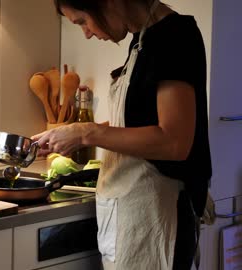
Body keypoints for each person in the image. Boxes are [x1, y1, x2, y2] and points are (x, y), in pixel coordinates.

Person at [32, 0, 212, 269]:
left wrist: (86, 133)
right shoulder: (143, 38)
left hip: (157, 219)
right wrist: (68, 133)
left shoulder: (174, 36)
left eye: (82, 21)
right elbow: (136, 122)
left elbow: (174, 142)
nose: (87, 33)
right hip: (132, 219)